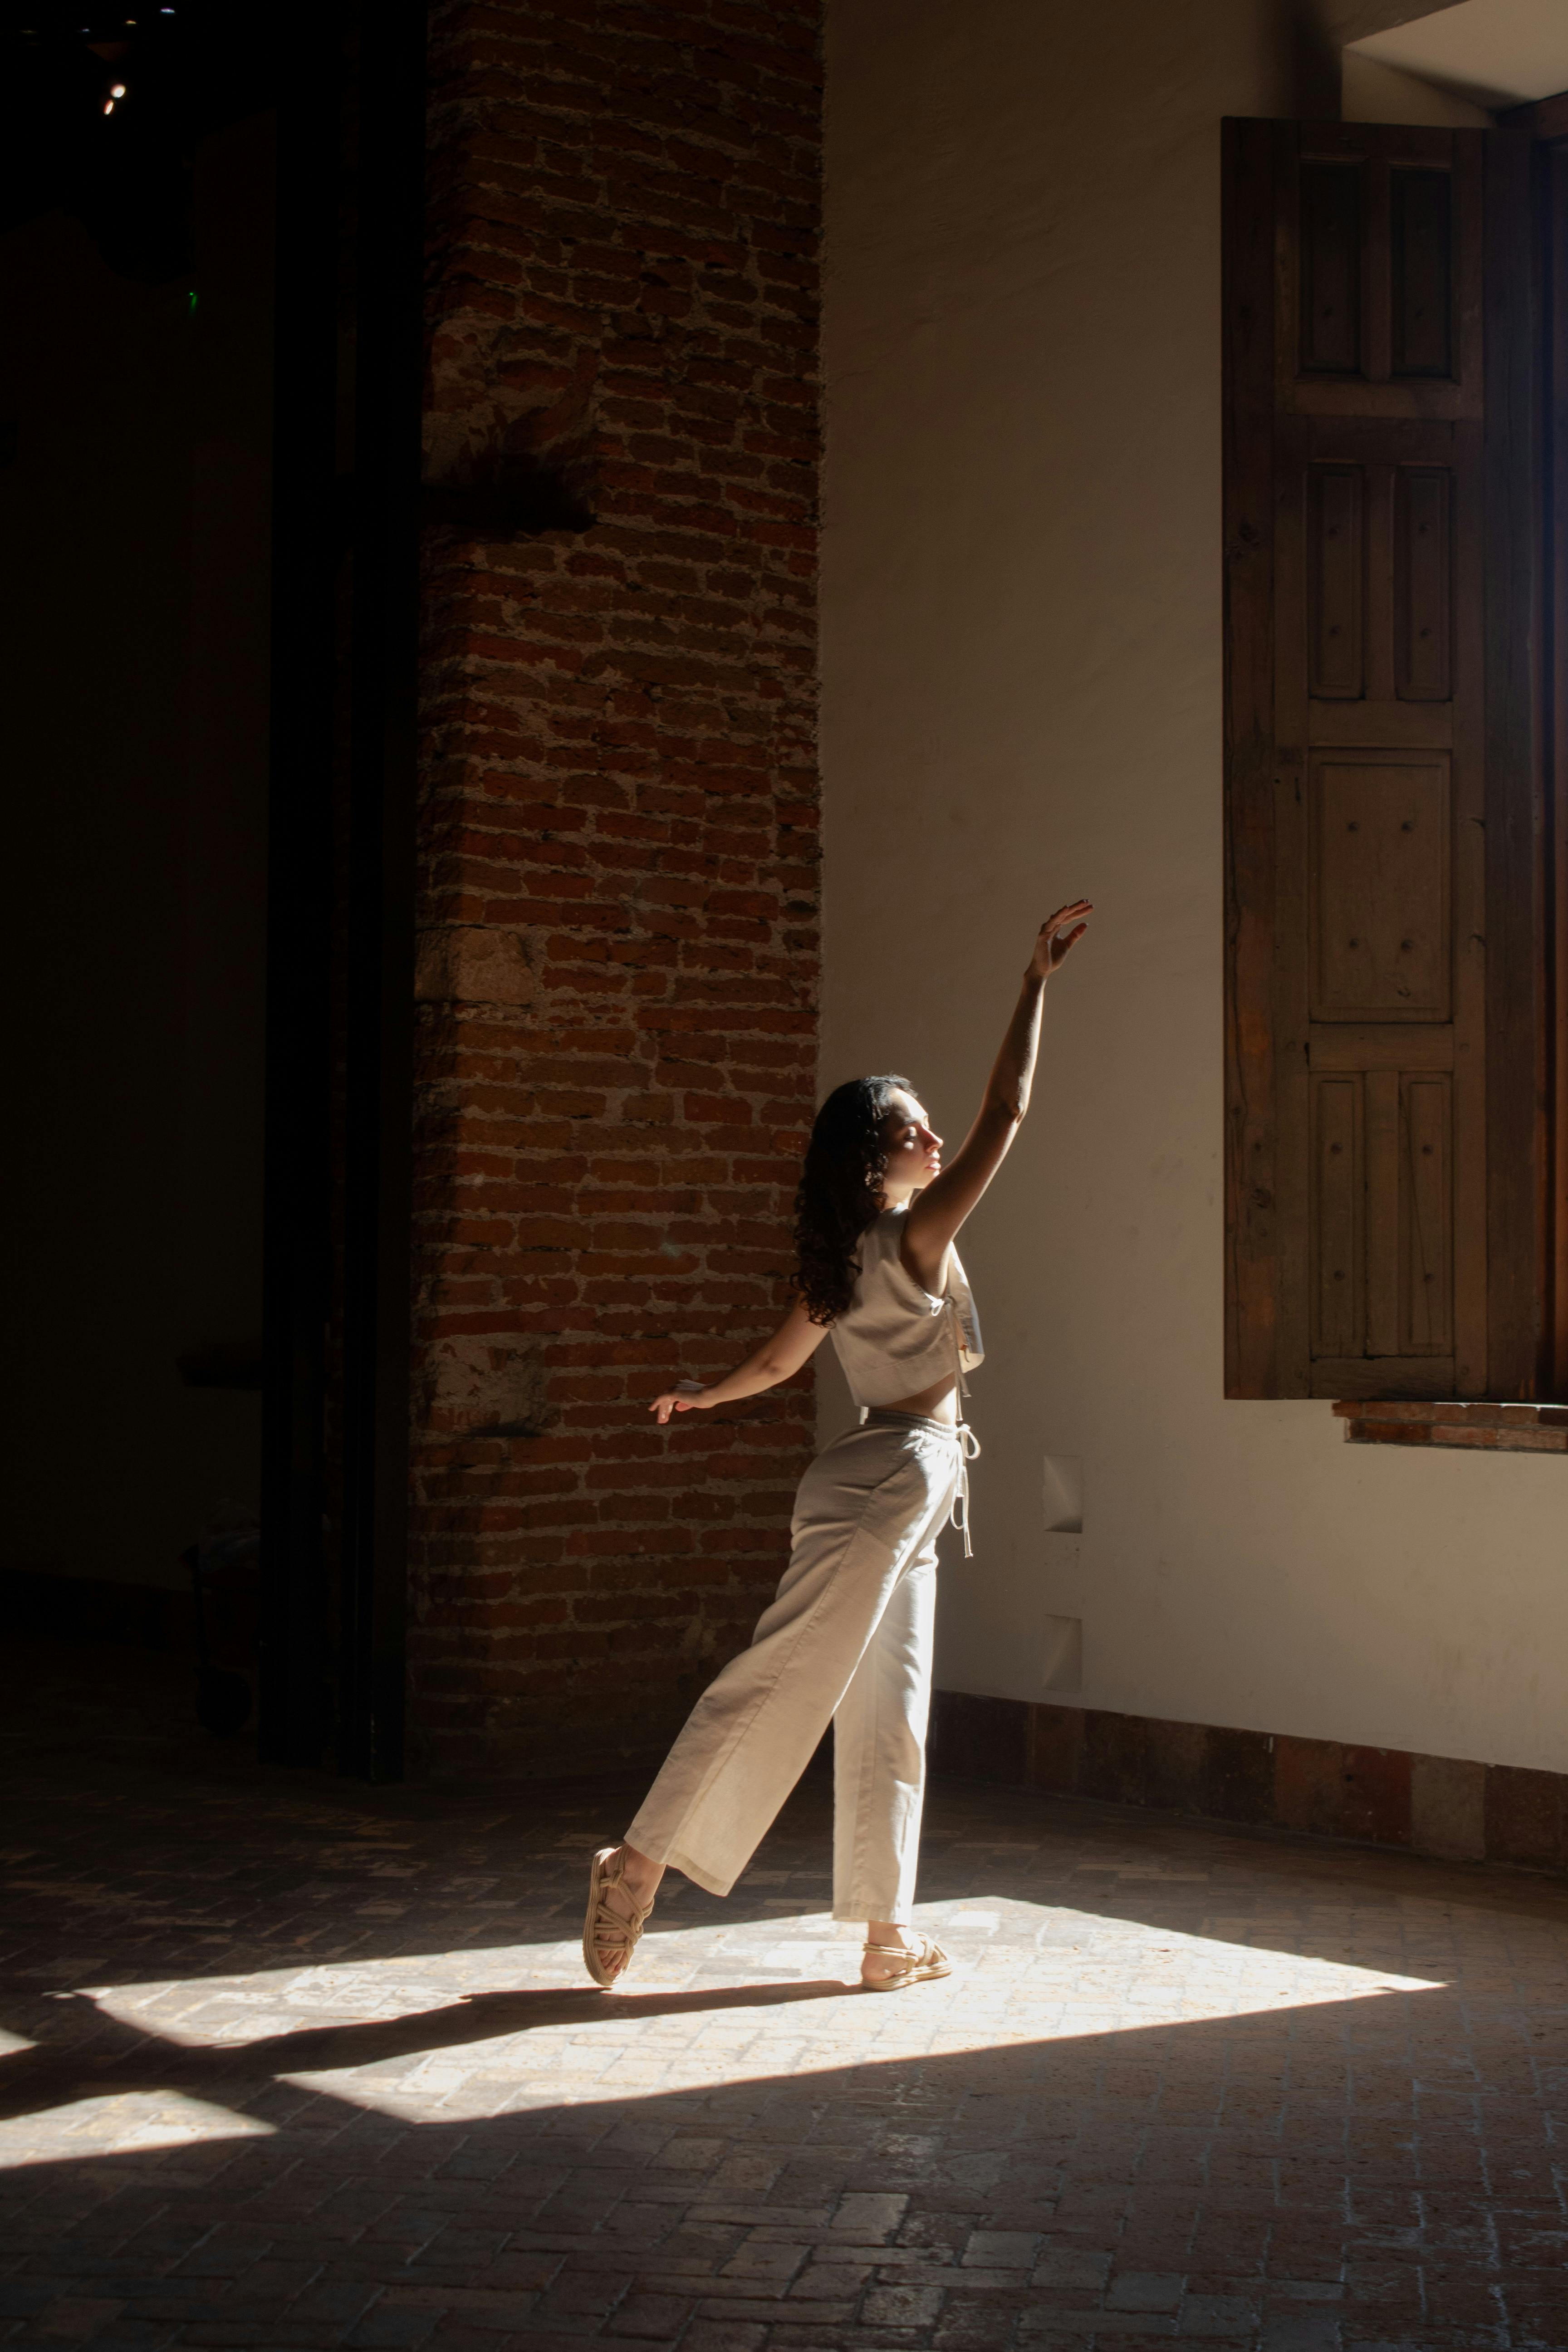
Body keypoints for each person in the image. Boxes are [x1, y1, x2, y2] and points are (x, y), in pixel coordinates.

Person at [583, 901, 1093, 1992]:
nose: (935, 1140)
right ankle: (639, 1860)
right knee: (783, 1678)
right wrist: (1032, 985)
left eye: (930, 1127)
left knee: (891, 1711)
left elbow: (777, 1365)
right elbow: (1007, 1112)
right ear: (875, 1155)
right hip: (890, 1476)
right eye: (914, 1130)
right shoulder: (910, 1235)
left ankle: (886, 1936)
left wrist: (705, 1396)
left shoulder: (847, 1254)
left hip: (905, 1481)